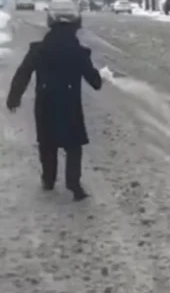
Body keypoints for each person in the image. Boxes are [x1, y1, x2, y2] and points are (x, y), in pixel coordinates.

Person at [5, 20, 102, 201]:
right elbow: (95, 82)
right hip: (70, 102)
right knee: (73, 145)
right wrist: (97, 75)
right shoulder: (78, 53)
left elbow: (23, 73)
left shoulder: (38, 50)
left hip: (45, 101)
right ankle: (74, 184)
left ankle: (48, 180)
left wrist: (14, 97)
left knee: (47, 142)